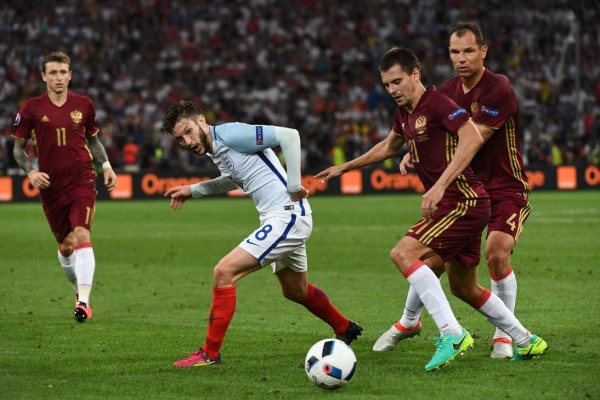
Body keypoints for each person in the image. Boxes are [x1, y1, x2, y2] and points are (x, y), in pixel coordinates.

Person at [315, 47, 547, 371]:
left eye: (397, 81)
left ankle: (451, 333)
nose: (392, 90)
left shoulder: (438, 104)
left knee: (404, 254)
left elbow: (471, 138)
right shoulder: (405, 112)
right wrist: (345, 167)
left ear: (415, 74)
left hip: (463, 200)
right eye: (386, 85)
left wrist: (439, 186)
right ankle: (525, 339)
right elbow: (389, 145)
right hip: (462, 203)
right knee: (463, 287)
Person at [374, 22, 534, 359]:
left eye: (468, 51)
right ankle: (409, 321)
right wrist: (414, 147)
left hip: (504, 186)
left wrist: (419, 143)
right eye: (454, 52)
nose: (460, 58)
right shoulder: (447, 90)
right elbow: (430, 129)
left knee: (496, 251)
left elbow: (472, 136)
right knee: (433, 263)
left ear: (483, 51)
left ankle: (503, 337)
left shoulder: (498, 89)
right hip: (468, 188)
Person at [161, 100, 362, 367]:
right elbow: (234, 178)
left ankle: (209, 353)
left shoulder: (230, 133)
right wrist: (193, 190)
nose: (186, 141)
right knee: (295, 290)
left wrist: (294, 184)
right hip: (280, 217)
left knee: (224, 272)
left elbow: (288, 136)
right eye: (179, 139)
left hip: (287, 215)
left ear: (200, 120)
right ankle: (345, 328)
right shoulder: (216, 148)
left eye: (188, 131)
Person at [12, 51, 117, 323]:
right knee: (66, 246)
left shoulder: (84, 104)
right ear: (44, 76)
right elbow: (18, 149)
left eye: (63, 72)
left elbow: (93, 141)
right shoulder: (30, 108)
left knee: (82, 234)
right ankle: (77, 291)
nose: (59, 78)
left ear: (70, 75)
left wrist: (105, 166)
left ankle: (83, 302)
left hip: (81, 177)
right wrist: (31, 172)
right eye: (53, 73)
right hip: (50, 185)